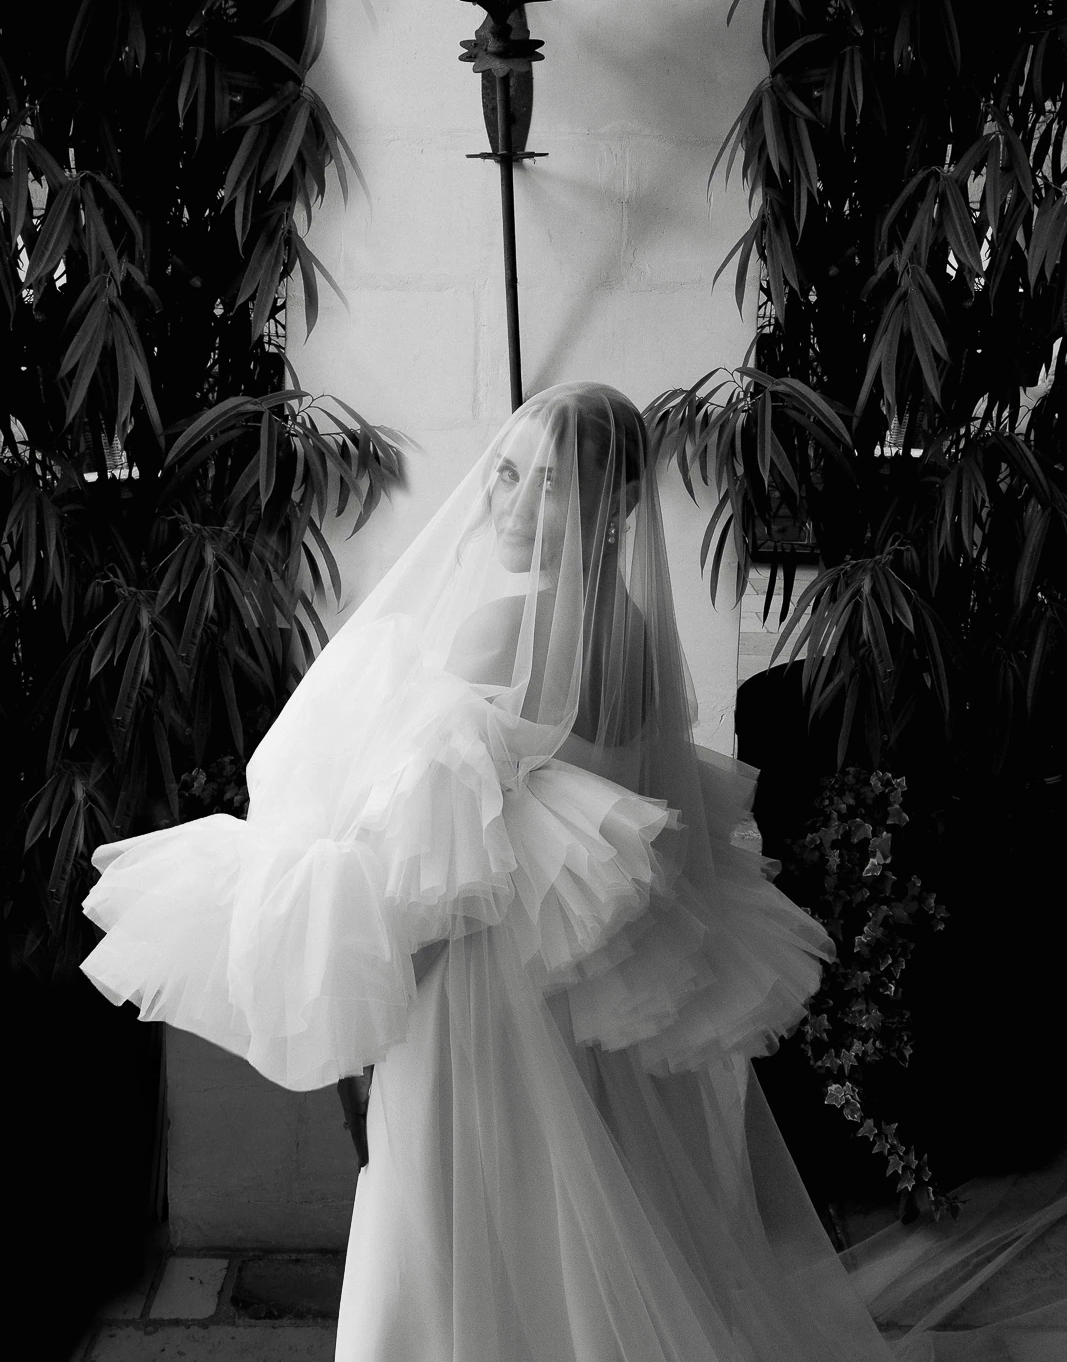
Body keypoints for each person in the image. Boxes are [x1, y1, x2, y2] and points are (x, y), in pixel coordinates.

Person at [81, 383, 1064, 1361]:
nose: (509, 503)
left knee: (453, 1209)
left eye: (547, 484)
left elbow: (412, 852)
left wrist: (366, 989)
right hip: (573, 997)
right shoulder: (636, 636)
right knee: (567, 1213)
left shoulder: (495, 633)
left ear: (610, 506)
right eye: (505, 474)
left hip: (472, 993)